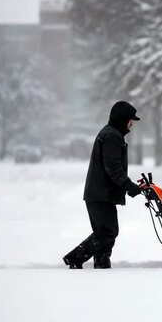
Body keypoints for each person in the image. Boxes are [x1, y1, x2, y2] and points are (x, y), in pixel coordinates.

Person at [63, 101, 143, 269]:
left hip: (99, 194)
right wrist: (129, 186)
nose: (132, 124)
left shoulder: (111, 134)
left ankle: (102, 266)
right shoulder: (112, 136)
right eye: (130, 120)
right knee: (108, 232)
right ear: (123, 119)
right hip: (100, 194)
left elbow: (113, 168)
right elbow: (113, 167)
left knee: (105, 233)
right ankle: (75, 258)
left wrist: (127, 186)